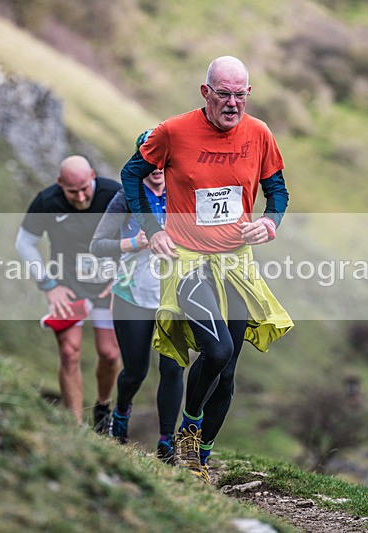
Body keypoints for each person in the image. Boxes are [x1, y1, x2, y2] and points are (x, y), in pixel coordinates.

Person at [120, 56, 293, 482]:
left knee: (228, 372)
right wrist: (152, 229)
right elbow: (130, 174)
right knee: (217, 351)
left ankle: (200, 453)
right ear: (206, 92)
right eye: (224, 94)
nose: (232, 104)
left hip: (235, 261)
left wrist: (270, 221)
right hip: (189, 260)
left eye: (240, 95)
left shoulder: (260, 134)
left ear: (248, 94)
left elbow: (278, 192)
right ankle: (188, 430)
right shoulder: (173, 132)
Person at [89, 130, 184, 463]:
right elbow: (97, 245)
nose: (157, 166)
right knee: (136, 371)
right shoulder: (127, 197)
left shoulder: (182, 192)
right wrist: (134, 243)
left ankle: (167, 443)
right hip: (132, 295)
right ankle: (121, 413)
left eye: (163, 158)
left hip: (173, 296)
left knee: (173, 369)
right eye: (150, 159)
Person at [15, 155, 122, 431]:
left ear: (93, 176)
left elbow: (144, 234)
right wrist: (49, 285)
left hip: (108, 285)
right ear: (60, 183)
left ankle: (102, 409)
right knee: (69, 351)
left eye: (85, 188)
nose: (81, 196)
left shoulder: (115, 194)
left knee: (110, 354)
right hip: (68, 285)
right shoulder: (47, 201)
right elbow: (25, 243)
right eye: (72, 191)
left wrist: (125, 278)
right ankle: (75, 426)